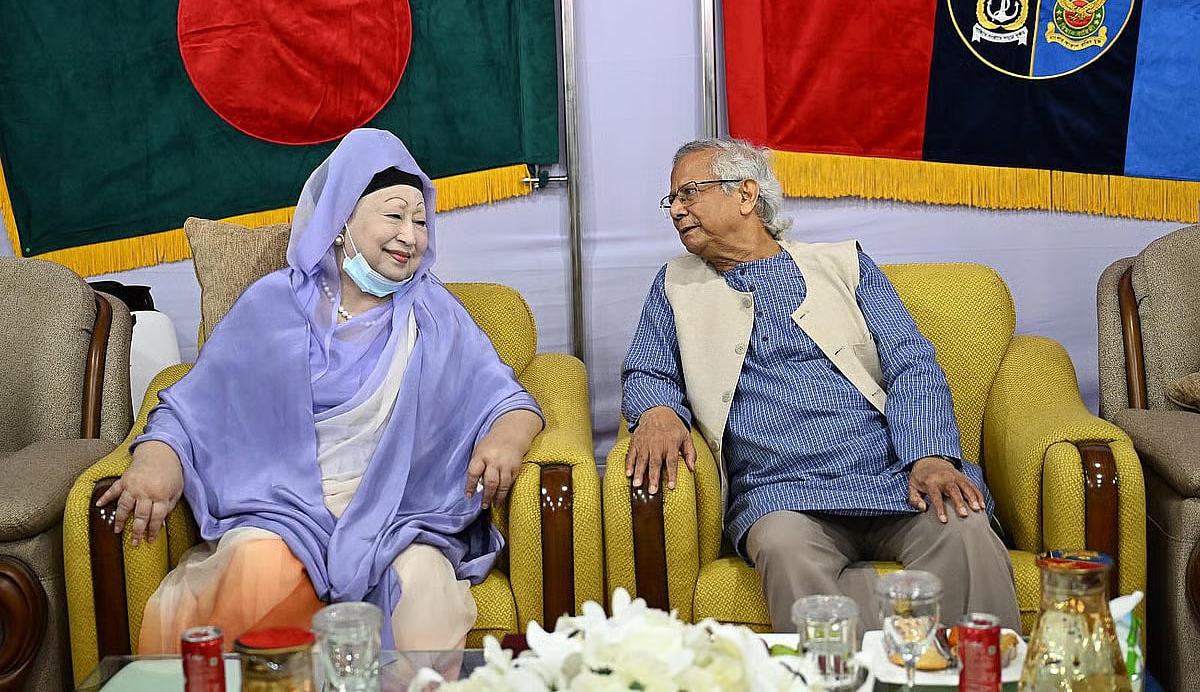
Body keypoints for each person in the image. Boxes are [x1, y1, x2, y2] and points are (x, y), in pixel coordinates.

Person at [97, 128, 544, 653]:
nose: (411, 235)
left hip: (400, 515)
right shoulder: (271, 304)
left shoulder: (435, 313)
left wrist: (505, 441)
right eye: (394, 215)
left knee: (421, 588)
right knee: (258, 570)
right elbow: (188, 408)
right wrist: (153, 462)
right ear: (340, 222)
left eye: (421, 221)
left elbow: (509, 399)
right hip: (282, 508)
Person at [622, 136, 1020, 633]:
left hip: (893, 475)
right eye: (672, 200)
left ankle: (977, 677)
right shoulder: (675, 285)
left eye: (689, 193)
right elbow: (648, 370)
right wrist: (658, 411)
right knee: (785, 549)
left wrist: (930, 455)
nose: (676, 210)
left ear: (746, 195)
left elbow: (911, 362)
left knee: (961, 528)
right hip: (781, 493)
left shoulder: (843, 263)